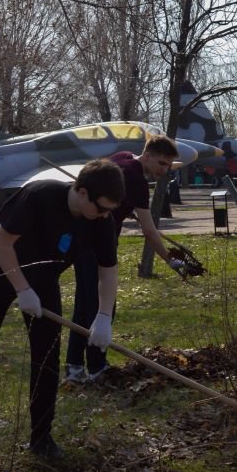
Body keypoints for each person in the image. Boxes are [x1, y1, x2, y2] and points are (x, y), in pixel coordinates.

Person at [0, 159, 124, 462]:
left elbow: (108, 271)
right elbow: (1, 242)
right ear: (81, 191)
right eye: (102, 207)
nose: (105, 215)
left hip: (43, 280)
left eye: (110, 210)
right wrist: (21, 289)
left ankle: (41, 436)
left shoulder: (101, 221)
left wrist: (103, 315)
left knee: (47, 355)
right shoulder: (39, 196)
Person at [65, 135, 181, 382]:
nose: (165, 169)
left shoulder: (123, 157)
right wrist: (170, 260)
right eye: (162, 163)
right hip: (98, 244)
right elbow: (149, 231)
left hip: (82, 241)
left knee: (84, 304)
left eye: (169, 165)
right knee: (101, 308)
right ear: (147, 155)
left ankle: (74, 368)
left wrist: (123, 211)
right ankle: (97, 368)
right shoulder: (137, 181)